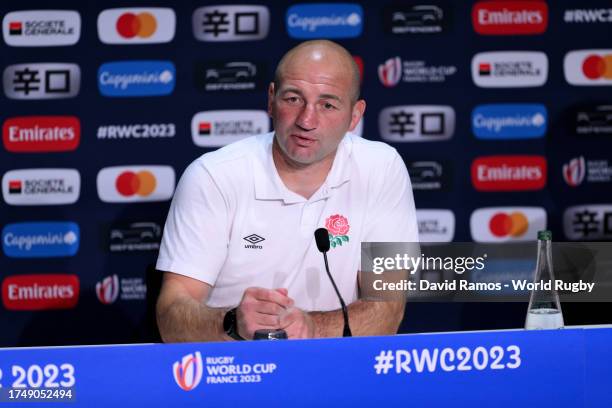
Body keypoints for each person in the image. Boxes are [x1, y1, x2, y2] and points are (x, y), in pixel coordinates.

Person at [155, 40, 418, 342]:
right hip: (233, 370)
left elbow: (388, 308)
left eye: (328, 105)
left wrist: (310, 329)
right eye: (293, 99)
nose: (307, 121)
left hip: (335, 369)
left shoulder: (382, 168)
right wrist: (231, 323)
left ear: (355, 117)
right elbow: (171, 314)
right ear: (271, 100)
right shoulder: (213, 176)